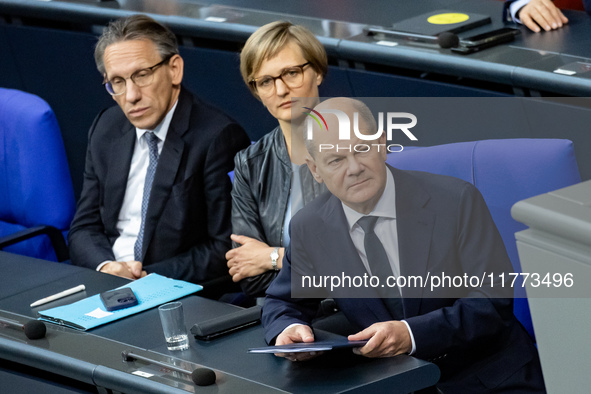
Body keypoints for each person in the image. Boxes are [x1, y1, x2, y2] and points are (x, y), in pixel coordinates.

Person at [262, 98, 545, 392]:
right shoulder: (311, 226)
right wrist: (289, 330)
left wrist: (412, 334)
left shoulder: (456, 201)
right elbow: (283, 302)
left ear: (382, 145)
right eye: (336, 160)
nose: (354, 168)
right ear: (315, 169)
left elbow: (492, 301)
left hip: (486, 377)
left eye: (361, 149)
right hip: (395, 383)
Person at [68, 15, 251, 284]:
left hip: (171, 288)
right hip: (106, 279)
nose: (131, 96)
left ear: (174, 69)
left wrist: (144, 279)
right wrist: (106, 267)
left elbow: (224, 247)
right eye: (117, 82)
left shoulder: (217, 138)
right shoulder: (106, 127)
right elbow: (84, 227)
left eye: (141, 75)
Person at [226, 21, 328, 298]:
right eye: (266, 81)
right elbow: (248, 275)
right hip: (280, 313)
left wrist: (272, 257)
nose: (281, 90)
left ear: (317, 71)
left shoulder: (358, 146)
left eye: (291, 73)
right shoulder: (250, 163)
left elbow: (359, 267)